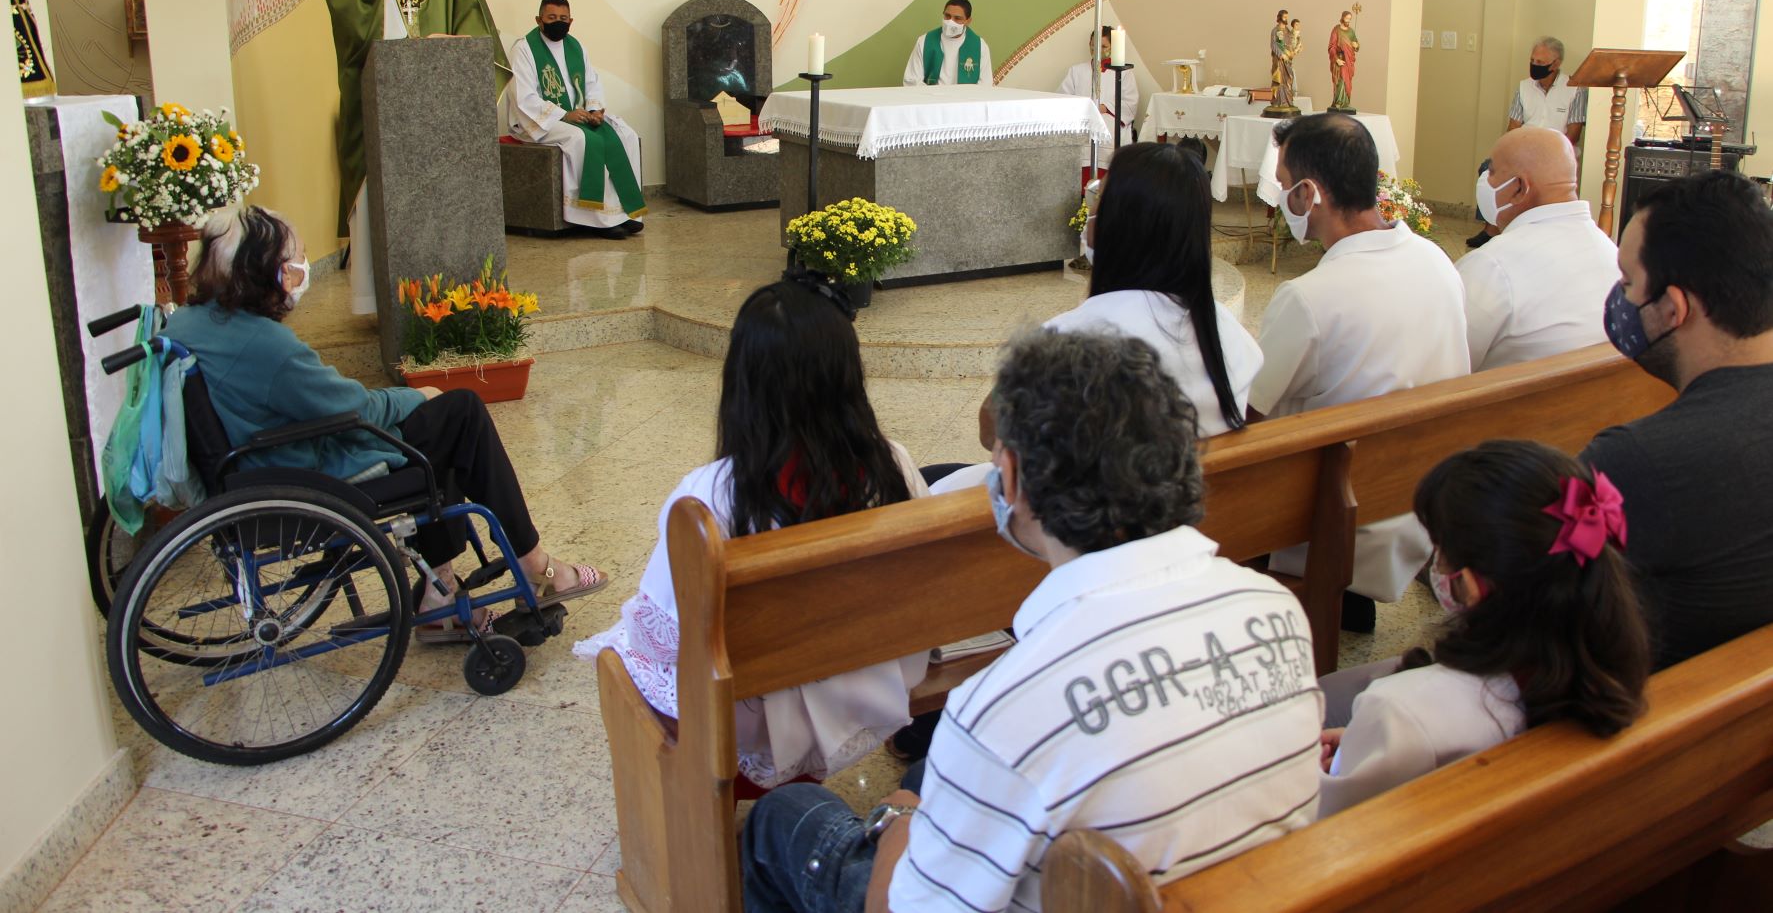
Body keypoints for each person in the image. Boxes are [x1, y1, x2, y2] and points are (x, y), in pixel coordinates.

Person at [740, 329, 1324, 913]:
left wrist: (900, 822)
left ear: (1013, 477)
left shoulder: (1006, 706)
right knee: (926, 771)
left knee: (783, 816)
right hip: (1247, 888)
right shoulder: (1276, 609)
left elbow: (895, 906)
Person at [162, 205, 604, 641]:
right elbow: (355, 408)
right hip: (301, 471)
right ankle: (535, 567)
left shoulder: (189, 320)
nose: (299, 271)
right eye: (290, 264)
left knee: (441, 431)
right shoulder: (266, 346)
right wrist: (415, 394)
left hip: (251, 467)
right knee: (460, 412)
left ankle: (440, 592)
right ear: (261, 274)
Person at [575, 272, 929, 789]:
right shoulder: (893, 463)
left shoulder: (708, 497)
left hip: (761, 712)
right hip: (869, 680)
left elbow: (665, 641)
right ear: (849, 376)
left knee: (623, 648)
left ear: (742, 383)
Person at [1317, 440, 1649, 816]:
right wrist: (1369, 747)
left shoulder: (1399, 708)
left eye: (1439, 548)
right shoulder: (1605, 670)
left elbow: (1329, 821)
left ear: (1471, 586)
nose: (1435, 563)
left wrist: (1341, 758)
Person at [929, 141, 1261, 495]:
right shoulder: (1228, 332)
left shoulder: (1067, 338)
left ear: (1115, 226)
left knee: (925, 479)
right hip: (1188, 511)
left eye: (1097, 202)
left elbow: (992, 429)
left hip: (1073, 522)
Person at [1249, 113, 1468, 627]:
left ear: (1309, 194)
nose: (1283, 201)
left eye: (1284, 187)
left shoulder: (1310, 298)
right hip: (1420, 498)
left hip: (1339, 517)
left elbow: (1250, 414)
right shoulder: (1437, 262)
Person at [1581, 170, 1773, 670]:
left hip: (1644, 721)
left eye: (1627, 282)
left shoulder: (1633, 461)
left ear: (1673, 308)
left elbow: (1531, 605)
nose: (1619, 298)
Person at [324, 0, 501, 312]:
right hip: (382, 95)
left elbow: (469, 9)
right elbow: (345, 12)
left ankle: (449, 289)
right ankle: (376, 298)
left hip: (436, 90)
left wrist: (451, 42)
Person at [1458, 125, 1617, 370]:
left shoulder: (1492, 265)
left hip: (1512, 405)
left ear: (1519, 188)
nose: (1484, 182)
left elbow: (1441, 364)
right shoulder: (1612, 253)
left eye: (1491, 172)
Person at [500, 0, 646, 239]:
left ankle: (624, 213)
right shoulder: (524, 49)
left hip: (578, 114)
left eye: (563, 18)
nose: (558, 22)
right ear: (539, 20)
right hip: (536, 121)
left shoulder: (575, 46)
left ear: (571, 21)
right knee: (582, 139)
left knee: (625, 134)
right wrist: (564, 114)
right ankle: (595, 218)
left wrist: (594, 109)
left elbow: (591, 82)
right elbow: (523, 97)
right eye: (552, 17)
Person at [1470, 37, 1589, 249]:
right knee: (1488, 170)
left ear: (1556, 64)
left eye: (1541, 63)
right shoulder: (1524, 87)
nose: (1535, 66)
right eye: (1532, 60)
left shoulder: (1575, 88)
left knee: (1532, 181)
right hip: (1523, 152)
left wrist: (1543, 156)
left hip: (1556, 156)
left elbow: (1572, 135)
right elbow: (1513, 127)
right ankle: (1492, 228)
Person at [1057, 25, 1138, 145]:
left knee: (1105, 132)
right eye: (1094, 45)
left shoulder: (1123, 72)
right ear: (1089, 44)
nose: (1098, 50)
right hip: (1081, 119)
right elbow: (1062, 98)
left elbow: (1130, 103)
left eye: (1104, 46)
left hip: (1109, 118)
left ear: (1113, 47)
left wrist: (1105, 107)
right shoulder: (1076, 70)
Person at [902, 0, 992, 87]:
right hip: (932, 98)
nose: (950, 22)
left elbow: (985, 84)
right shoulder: (925, 41)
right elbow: (911, 80)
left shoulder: (979, 46)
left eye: (957, 18)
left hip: (965, 99)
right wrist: (935, 97)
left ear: (968, 21)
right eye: (947, 16)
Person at [1327, 9, 1359, 112]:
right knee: (1341, 80)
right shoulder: (1336, 30)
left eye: (1350, 19)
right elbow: (1331, 47)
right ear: (1342, 17)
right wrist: (1336, 59)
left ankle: (1346, 102)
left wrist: (1356, 45)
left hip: (1348, 61)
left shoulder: (1351, 31)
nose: (1348, 21)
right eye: (1347, 18)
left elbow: (1356, 44)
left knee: (1347, 82)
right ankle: (1338, 102)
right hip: (1340, 60)